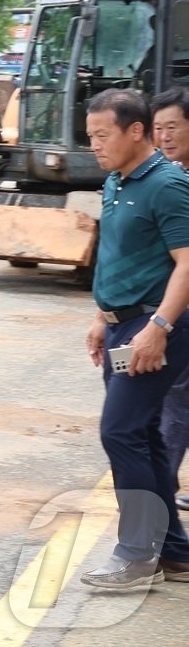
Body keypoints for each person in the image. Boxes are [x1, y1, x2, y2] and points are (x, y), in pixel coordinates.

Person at [80, 88, 189, 589]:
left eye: (103, 135)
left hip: (156, 328)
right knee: (142, 435)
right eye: (91, 136)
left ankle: (136, 553)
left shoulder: (167, 185)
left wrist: (158, 329)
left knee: (120, 432)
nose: (95, 145)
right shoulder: (116, 180)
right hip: (123, 327)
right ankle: (175, 553)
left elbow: (187, 264)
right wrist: (102, 317)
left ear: (136, 130)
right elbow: (116, 255)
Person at [150, 86, 189, 514]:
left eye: (172, 126)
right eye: (158, 128)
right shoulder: (171, 176)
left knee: (177, 396)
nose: (164, 136)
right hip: (174, 303)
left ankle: (161, 487)